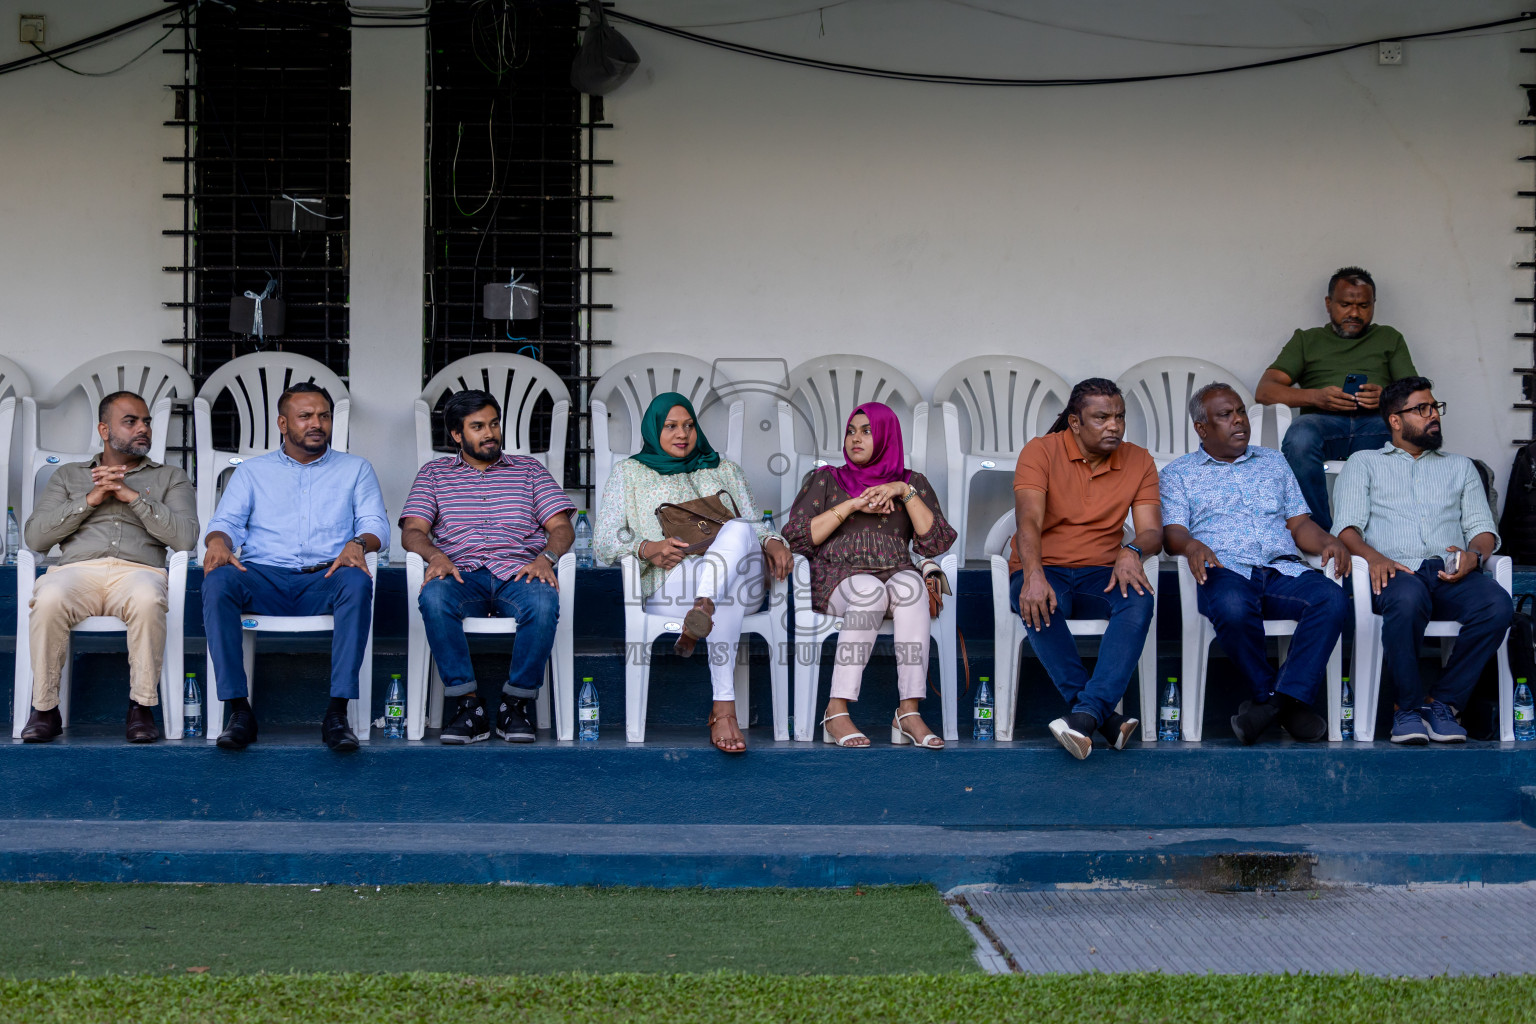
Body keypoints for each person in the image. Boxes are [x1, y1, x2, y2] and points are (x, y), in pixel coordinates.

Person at [594, 392, 791, 754]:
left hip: (735, 582)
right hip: (673, 583)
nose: (681, 434)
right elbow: (604, 541)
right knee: (721, 585)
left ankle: (704, 605)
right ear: (654, 429)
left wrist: (776, 540)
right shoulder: (630, 473)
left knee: (736, 530)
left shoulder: (724, 469)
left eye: (688, 425)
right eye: (670, 426)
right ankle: (724, 708)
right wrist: (647, 548)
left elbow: (754, 527)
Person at [201, 382, 389, 752]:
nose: (317, 423)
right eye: (305, 417)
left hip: (326, 577)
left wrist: (359, 543)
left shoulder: (355, 469)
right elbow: (225, 522)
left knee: (357, 581)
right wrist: (219, 542)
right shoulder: (253, 472)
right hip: (263, 578)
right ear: (283, 424)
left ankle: (337, 713)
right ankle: (239, 711)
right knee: (217, 581)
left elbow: (376, 524)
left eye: (324, 416)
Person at [1159, 383, 1351, 745]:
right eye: (1225, 415)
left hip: (1283, 570)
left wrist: (1327, 539)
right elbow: (1173, 534)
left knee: (1332, 598)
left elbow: (1298, 524)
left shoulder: (1274, 462)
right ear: (1202, 428)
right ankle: (1280, 702)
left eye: (1240, 412)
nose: (1238, 421)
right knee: (1232, 607)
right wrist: (1192, 545)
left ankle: (1269, 705)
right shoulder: (1178, 474)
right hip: (1225, 570)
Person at [1333, 376, 1512, 745]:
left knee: (1497, 605)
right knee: (1407, 597)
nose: (1434, 416)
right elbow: (1346, 530)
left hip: (1450, 572)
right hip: (1395, 570)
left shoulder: (1461, 467)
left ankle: (1442, 703)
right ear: (1395, 421)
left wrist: (1474, 556)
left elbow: (1483, 528)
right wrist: (1374, 557)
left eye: (1435, 408)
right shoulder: (1363, 463)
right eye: (1422, 409)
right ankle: (1407, 709)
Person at [18, 391, 198, 743]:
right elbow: (36, 538)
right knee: (49, 598)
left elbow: (186, 538)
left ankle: (141, 708)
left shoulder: (170, 478)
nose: (142, 428)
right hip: (76, 572)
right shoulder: (68, 476)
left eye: (146, 421)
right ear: (104, 429)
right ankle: (45, 709)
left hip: (139, 572)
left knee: (148, 600)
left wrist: (133, 496)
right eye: (130, 421)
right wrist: (90, 499)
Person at [400, 390, 575, 744]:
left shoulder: (529, 471)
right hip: (460, 573)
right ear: (456, 435)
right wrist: (436, 556)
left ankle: (515, 704)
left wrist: (547, 558)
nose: (490, 433)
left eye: (493, 423)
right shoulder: (434, 474)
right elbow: (413, 531)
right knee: (434, 598)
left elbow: (561, 527)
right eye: (477, 426)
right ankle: (469, 707)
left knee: (544, 602)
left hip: (519, 572)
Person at [782, 403, 956, 749]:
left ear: (888, 437)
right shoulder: (827, 479)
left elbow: (934, 540)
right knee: (869, 591)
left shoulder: (912, 482)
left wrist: (901, 491)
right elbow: (799, 536)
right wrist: (851, 505)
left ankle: (908, 712)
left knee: (912, 589)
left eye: (866, 431)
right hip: (837, 576)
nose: (855, 438)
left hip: (895, 570)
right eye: (851, 431)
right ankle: (837, 709)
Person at [1009, 378, 1161, 760]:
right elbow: (1028, 521)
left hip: (1100, 572)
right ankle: (1102, 716)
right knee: (1042, 601)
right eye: (1102, 417)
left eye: (1120, 417)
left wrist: (1132, 550)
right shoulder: (1041, 451)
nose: (1114, 425)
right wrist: (1034, 575)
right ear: (1075, 422)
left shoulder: (1138, 459)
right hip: (1044, 568)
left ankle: (1085, 715)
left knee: (1138, 599)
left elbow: (1152, 532)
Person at [1254, 266, 1418, 531]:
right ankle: (1318, 534)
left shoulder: (1389, 338)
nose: (1354, 313)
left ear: (1374, 305)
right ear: (1328, 304)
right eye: (1345, 304)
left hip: (1374, 427)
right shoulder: (1307, 340)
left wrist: (1387, 398)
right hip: (1322, 425)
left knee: (1408, 438)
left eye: (1363, 305)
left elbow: (1416, 396)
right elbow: (1265, 391)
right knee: (1300, 435)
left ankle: (1388, 535)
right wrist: (1316, 397)